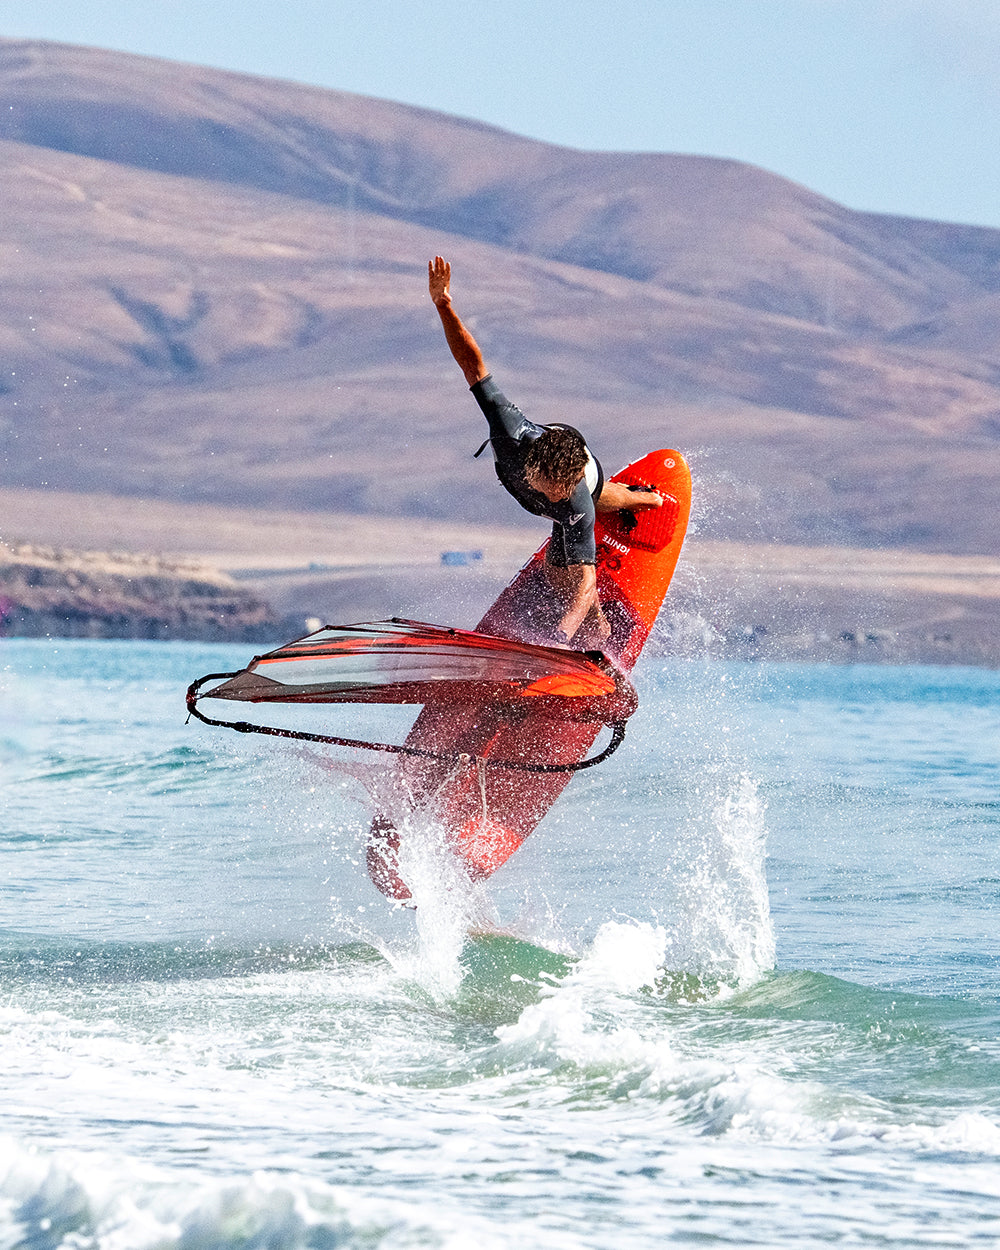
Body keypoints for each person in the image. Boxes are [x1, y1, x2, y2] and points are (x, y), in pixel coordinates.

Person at [428, 255, 663, 647]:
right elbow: (472, 364)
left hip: (585, 475)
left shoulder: (574, 501)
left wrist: (558, 638)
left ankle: (651, 501)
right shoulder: (511, 432)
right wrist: (444, 305)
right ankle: (633, 503)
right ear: (535, 467)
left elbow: (587, 583)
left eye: (563, 492)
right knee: (563, 563)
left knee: (575, 568)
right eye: (553, 489)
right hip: (555, 450)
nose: (558, 498)